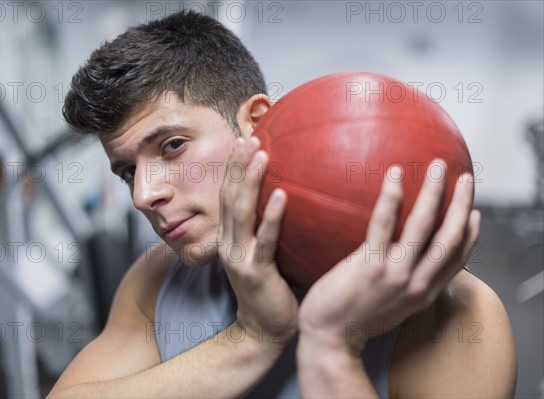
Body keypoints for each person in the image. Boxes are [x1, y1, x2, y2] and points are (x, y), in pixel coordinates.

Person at [48, 11, 516, 398]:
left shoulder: (458, 315)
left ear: (256, 124)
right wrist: (252, 337)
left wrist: (332, 349)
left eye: (172, 145)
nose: (143, 195)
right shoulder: (158, 278)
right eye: (128, 170)